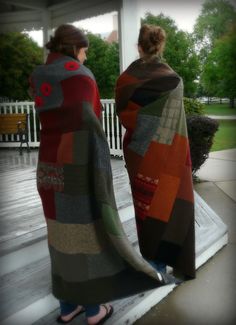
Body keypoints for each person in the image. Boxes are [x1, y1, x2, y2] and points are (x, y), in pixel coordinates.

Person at [30, 24, 172, 325]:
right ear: (74, 48)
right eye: (84, 52)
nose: (84, 58)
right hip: (79, 167)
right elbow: (91, 117)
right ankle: (94, 310)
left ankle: (68, 307)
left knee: (60, 238)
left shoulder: (38, 74)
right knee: (87, 236)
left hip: (49, 168)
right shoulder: (80, 75)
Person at [115, 24, 196, 280]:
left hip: (139, 155)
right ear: (160, 45)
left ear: (138, 46)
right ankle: (162, 264)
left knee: (145, 209)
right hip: (170, 155)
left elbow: (125, 115)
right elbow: (176, 121)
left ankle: (153, 265)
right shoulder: (173, 79)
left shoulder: (125, 80)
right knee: (169, 206)